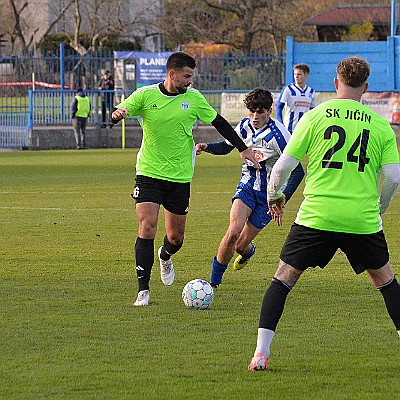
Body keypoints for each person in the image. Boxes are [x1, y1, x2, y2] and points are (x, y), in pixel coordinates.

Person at [248, 56, 400, 371]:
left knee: (283, 279)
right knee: (385, 281)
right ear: (366, 87)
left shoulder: (315, 117)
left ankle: (260, 353)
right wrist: (380, 209)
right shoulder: (380, 125)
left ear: (335, 83)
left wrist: (274, 196)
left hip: (316, 216)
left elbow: (282, 167)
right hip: (361, 218)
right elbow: (395, 177)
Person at [111, 51, 260, 307]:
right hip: (148, 171)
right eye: (187, 76)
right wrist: (118, 114)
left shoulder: (194, 98)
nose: (191, 80)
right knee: (147, 226)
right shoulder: (146, 95)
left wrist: (242, 147)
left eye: (192, 76)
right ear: (172, 74)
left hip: (180, 175)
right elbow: (122, 109)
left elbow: (220, 123)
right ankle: (143, 291)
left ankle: (165, 255)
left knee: (176, 238)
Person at [195, 88, 303, 288]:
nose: (254, 117)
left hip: (268, 197)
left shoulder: (279, 136)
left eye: (260, 112)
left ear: (269, 111)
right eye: (251, 111)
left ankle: (248, 251)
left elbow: (298, 171)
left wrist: (282, 198)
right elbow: (228, 146)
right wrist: (207, 147)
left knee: (240, 245)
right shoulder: (244, 126)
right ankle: (213, 284)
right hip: (247, 187)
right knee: (233, 231)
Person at [276, 63, 316, 190]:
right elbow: (279, 107)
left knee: (312, 156)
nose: (296, 77)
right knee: (289, 158)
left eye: (299, 74)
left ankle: (313, 181)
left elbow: (313, 110)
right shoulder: (288, 89)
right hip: (290, 130)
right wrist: (280, 122)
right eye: (295, 74)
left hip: (306, 130)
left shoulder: (311, 92)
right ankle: (283, 183)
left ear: (306, 75)